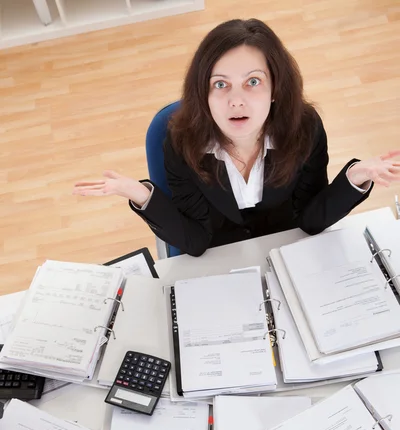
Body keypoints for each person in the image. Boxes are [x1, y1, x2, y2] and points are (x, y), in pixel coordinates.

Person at [73, 19, 400, 257]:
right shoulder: (180, 142)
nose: (237, 100)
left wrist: (354, 179)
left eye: (253, 82)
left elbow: (311, 221)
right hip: (221, 267)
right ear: (202, 93)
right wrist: (141, 195)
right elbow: (195, 241)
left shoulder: (305, 127)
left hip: (289, 258)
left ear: (276, 89)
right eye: (220, 84)